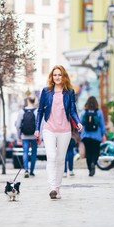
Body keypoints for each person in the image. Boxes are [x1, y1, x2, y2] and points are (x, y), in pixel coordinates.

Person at [35, 65, 83, 200]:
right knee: (51, 157)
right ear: (52, 76)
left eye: (59, 75)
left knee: (61, 159)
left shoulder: (69, 92)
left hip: (65, 130)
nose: (57, 77)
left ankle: (57, 188)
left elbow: (73, 110)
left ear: (64, 77)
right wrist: (37, 128)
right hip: (49, 129)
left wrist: (78, 122)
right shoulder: (46, 91)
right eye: (55, 75)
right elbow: (40, 111)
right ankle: (52, 187)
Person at [80, 96, 106, 176]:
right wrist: (103, 134)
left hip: (86, 136)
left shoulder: (83, 112)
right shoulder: (99, 112)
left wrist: (80, 134)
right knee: (96, 152)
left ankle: (89, 170)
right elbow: (102, 124)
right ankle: (93, 163)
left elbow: (80, 123)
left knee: (88, 153)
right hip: (96, 136)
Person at [15, 95, 38, 178]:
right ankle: (32, 171)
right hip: (34, 136)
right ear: (34, 101)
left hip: (24, 135)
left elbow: (18, 125)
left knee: (25, 152)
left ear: (28, 100)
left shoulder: (22, 111)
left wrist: (18, 135)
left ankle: (26, 170)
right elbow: (40, 125)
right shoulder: (36, 111)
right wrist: (40, 137)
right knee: (34, 153)